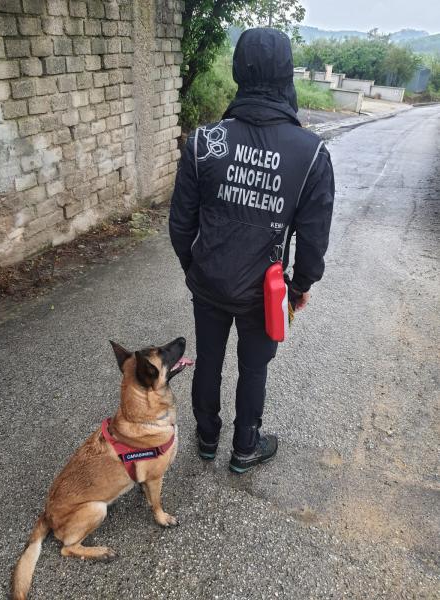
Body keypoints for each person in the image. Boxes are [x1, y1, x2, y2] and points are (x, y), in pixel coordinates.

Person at [169, 27, 335, 473]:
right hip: (264, 290)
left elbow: (180, 224)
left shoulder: (204, 143)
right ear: (286, 73)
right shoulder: (311, 152)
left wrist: (194, 268)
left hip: (209, 281)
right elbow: (315, 239)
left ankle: (206, 438)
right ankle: (245, 447)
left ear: (239, 69)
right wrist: (297, 287)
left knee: (208, 358)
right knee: (254, 369)